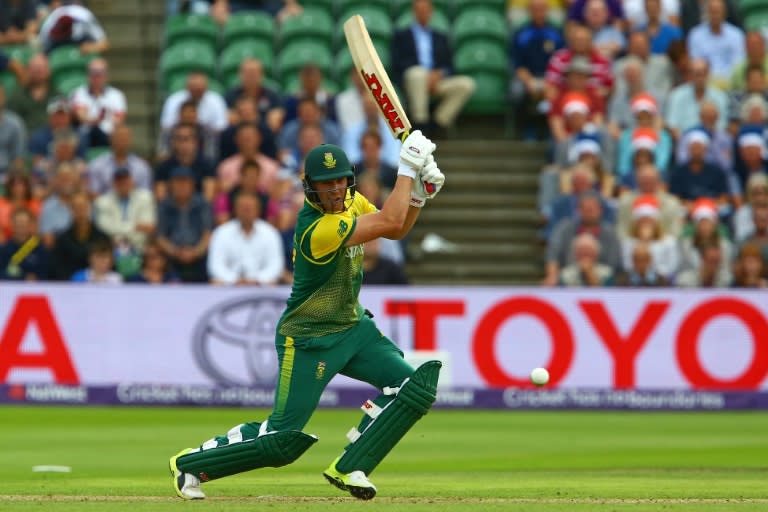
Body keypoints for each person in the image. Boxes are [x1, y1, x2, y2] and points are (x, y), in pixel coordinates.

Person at [168, 131, 445, 501]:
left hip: (352, 328)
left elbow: (396, 227)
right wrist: (408, 168)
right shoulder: (317, 228)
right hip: (309, 338)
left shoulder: (352, 202)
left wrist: (418, 196)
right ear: (309, 187)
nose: (333, 190)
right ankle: (192, 463)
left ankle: (351, 467)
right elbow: (391, 223)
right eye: (324, 184)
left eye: (339, 181)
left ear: (349, 181)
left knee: (414, 389)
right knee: (281, 440)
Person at [391, 0, 475, 134]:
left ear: (431, 12)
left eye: (426, 10)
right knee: (417, 74)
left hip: (437, 82)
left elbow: (450, 66)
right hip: (412, 80)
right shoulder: (402, 36)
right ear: (414, 12)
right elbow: (397, 64)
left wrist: (439, 74)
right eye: (420, 10)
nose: (423, 14)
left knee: (466, 84)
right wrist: (425, 75)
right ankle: (420, 123)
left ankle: (437, 124)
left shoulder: (440, 37)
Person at [509, 0, 565, 140]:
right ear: (529, 11)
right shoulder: (521, 33)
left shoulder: (556, 32)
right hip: (527, 76)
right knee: (517, 91)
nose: (538, 12)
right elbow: (517, 63)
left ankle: (548, 129)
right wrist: (528, 81)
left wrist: (550, 81)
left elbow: (562, 59)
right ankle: (528, 127)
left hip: (552, 77)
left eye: (541, 9)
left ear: (547, 10)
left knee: (561, 91)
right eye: (535, 9)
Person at [207, 192, 284, 285]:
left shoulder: (270, 233)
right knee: (216, 282)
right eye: (243, 208)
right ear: (235, 210)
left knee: (273, 282)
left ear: (258, 210)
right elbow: (215, 265)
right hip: (229, 286)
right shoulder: (221, 232)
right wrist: (234, 280)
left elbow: (275, 265)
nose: (247, 211)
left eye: (250, 208)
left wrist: (258, 279)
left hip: (261, 287)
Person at [156, 165, 213, 283]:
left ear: (192, 185)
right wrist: (176, 252)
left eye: (185, 182)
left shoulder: (202, 204)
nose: (182, 186)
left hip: (199, 257)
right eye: (177, 182)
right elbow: (160, 236)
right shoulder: (165, 206)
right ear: (170, 185)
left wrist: (195, 252)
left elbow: (207, 234)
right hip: (172, 257)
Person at [685, 0, 744, 89]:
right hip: (704, 83)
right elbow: (696, 63)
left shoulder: (736, 35)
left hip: (732, 84)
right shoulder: (695, 35)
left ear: (725, 13)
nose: (715, 15)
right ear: (706, 13)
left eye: (718, 12)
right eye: (712, 11)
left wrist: (725, 81)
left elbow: (738, 63)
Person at [70, 58, 127, 148]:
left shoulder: (117, 95)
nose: (97, 76)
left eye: (101, 72)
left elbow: (119, 120)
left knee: (121, 135)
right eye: (93, 72)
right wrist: (101, 119)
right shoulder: (78, 93)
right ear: (88, 74)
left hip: (108, 135)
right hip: (85, 134)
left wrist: (99, 121)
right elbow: (81, 117)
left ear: (107, 75)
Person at [88, 124, 152, 196]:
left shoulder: (142, 167)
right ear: (110, 139)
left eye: (125, 138)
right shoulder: (96, 165)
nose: (122, 141)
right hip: (105, 205)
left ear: (130, 140)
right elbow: (93, 194)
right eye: (119, 137)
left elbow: (146, 195)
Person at [38, 1, 109, 54]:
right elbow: (40, 49)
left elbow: (104, 44)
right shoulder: (51, 20)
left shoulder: (85, 18)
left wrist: (91, 48)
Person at [0, 207, 48, 280]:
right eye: (18, 222)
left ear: (30, 224)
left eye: (24, 223)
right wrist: (23, 277)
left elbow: (47, 273)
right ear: (11, 224)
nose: (21, 226)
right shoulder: (3, 249)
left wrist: (36, 277)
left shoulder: (40, 249)